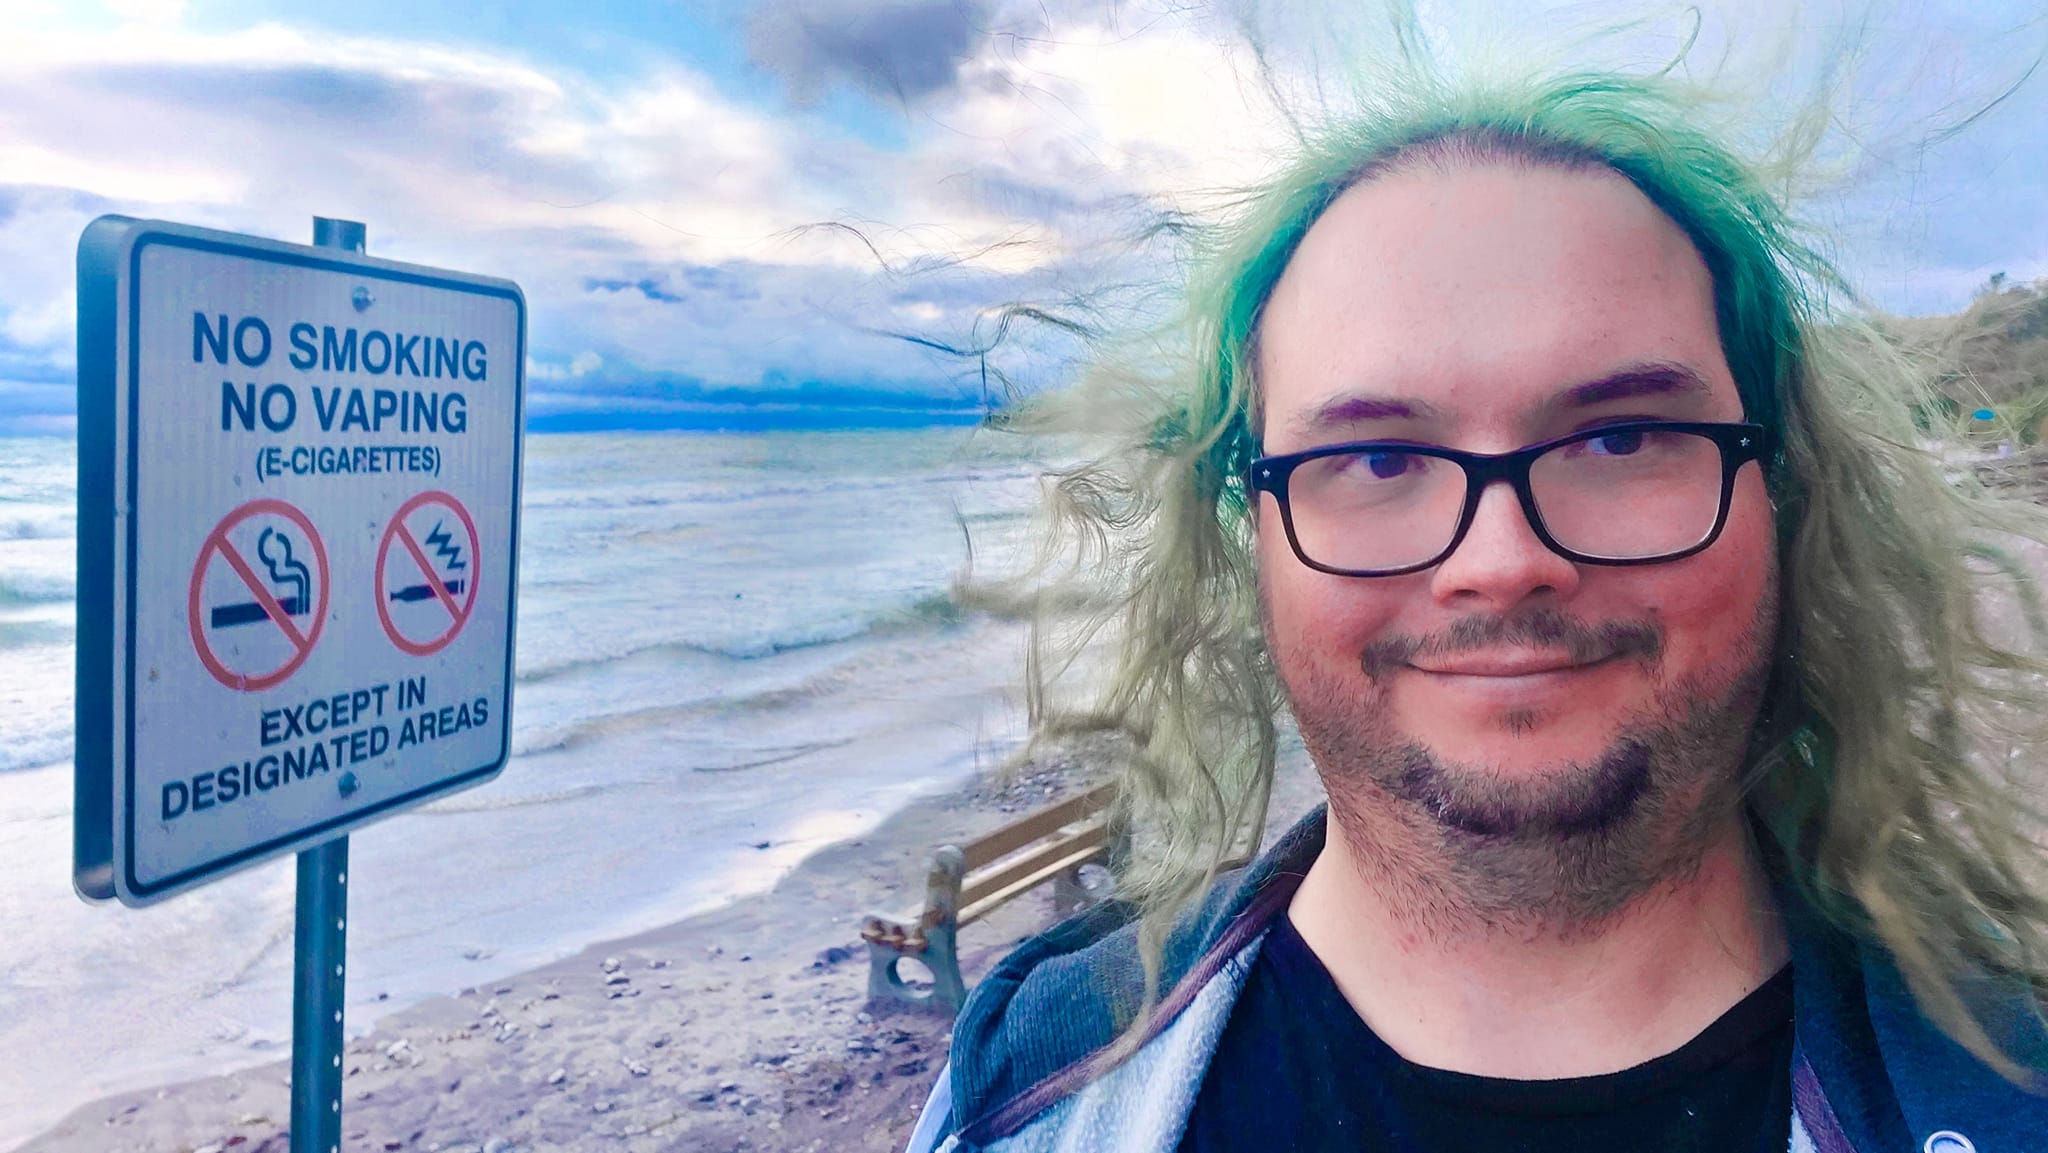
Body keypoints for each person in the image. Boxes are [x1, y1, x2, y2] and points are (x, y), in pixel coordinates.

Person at [903, 57, 2048, 1153]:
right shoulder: (1021, 1089)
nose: (1499, 563)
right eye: (1377, 457)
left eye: (1619, 435)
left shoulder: (2011, 1082)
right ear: (1250, 533)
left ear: (1781, 491)